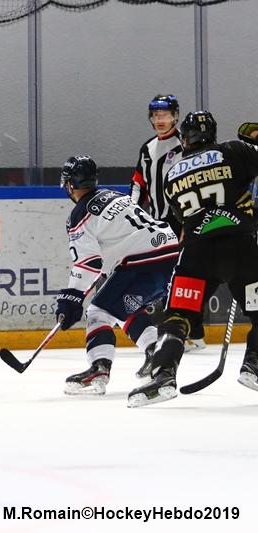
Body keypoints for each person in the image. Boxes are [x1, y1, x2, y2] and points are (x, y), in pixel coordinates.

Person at [128, 111, 258, 407]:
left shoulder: (172, 174)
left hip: (196, 255)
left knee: (177, 316)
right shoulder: (233, 150)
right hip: (240, 249)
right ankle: (254, 364)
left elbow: (185, 216)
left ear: (184, 139)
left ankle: (163, 375)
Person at [56, 155, 179, 395]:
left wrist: (71, 297)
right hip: (170, 254)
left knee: (98, 312)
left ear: (69, 184)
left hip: (140, 261)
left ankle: (99, 368)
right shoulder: (114, 195)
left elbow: (87, 262)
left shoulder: (79, 215)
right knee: (121, 307)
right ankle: (155, 351)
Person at [130, 94, 207, 352]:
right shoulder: (147, 149)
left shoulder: (185, 145)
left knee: (184, 276)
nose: (160, 119)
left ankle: (193, 332)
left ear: (175, 117)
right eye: (155, 115)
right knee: (165, 277)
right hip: (156, 224)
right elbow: (138, 184)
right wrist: (132, 213)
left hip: (182, 221)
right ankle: (181, 331)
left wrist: (191, 221)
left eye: (165, 114)